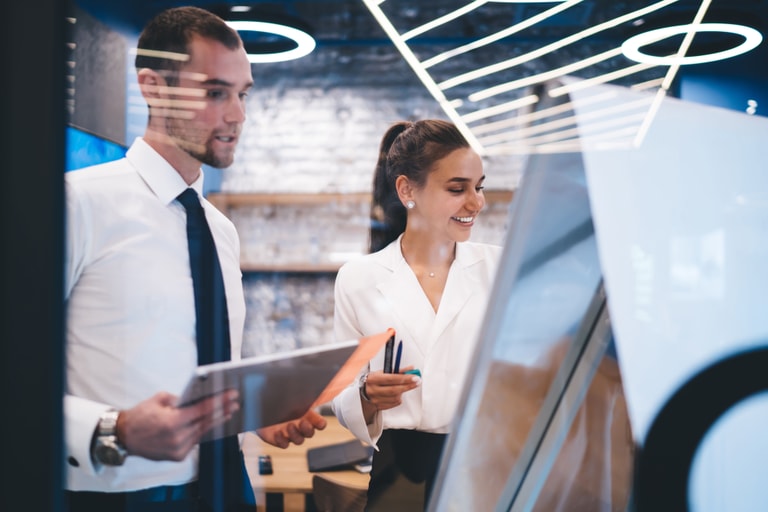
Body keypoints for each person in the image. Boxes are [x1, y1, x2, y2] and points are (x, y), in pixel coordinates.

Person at [63, 6, 325, 511]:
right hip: (110, 496)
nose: (237, 115)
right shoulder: (77, 203)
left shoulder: (220, 231)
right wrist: (112, 429)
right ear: (154, 87)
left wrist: (252, 414)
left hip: (221, 491)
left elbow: (203, 368)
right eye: (215, 93)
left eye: (243, 94)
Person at [331, 120, 502, 509]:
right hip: (399, 476)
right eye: (457, 189)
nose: (476, 203)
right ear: (407, 190)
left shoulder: (502, 269)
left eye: (479, 187)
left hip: (483, 466)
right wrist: (367, 395)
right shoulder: (358, 279)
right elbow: (342, 394)